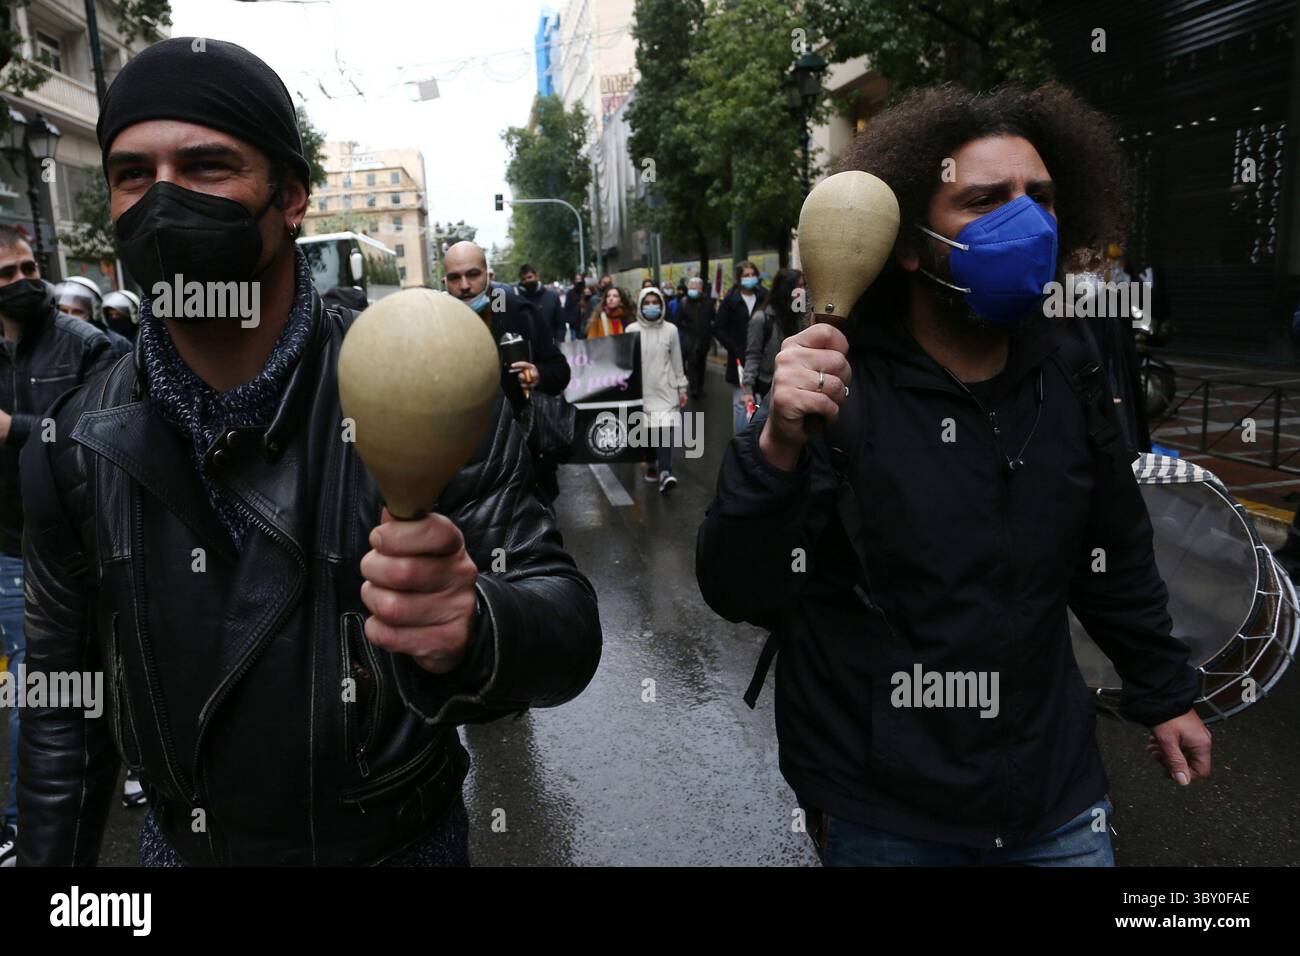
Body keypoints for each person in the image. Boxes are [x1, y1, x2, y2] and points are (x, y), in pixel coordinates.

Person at [17, 38, 601, 867]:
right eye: (132, 174)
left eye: (208, 165)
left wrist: (476, 626)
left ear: (291, 197)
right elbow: (60, 710)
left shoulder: (420, 388)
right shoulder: (75, 439)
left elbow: (567, 626)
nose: (163, 200)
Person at [696, 82, 1212, 868]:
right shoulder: (839, 391)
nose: (1027, 221)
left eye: (1040, 198)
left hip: (1056, 797)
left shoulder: (1070, 371)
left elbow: (1113, 552)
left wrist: (1164, 690)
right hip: (884, 809)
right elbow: (739, 588)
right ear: (907, 242)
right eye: (985, 201)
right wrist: (775, 445)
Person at [0, 226, 115, 867]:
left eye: (27, 269)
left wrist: (15, 428)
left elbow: (101, 439)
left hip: (68, 555)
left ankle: (34, 834)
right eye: (5, 276)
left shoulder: (85, 346)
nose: (21, 283)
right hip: (7, 547)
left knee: (46, 695)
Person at [443, 241, 570, 503]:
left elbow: (560, 371)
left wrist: (537, 374)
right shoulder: (433, 322)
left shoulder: (521, 313)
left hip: (526, 465)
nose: (464, 285)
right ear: (445, 281)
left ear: (488, 275)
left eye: (473, 274)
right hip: (462, 472)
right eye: (455, 278)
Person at [626, 287, 688, 494]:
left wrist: (682, 387)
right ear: (640, 305)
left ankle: (665, 472)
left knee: (664, 431)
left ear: (661, 305)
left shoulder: (671, 330)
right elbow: (626, 364)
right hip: (642, 391)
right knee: (649, 433)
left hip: (666, 390)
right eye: (647, 303)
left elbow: (677, 359)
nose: (651, 306)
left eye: (656, 303)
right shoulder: (631, 330)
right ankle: (650, 462)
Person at [713, 261, 766, 433]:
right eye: (746, 275)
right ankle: (741, 438)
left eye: (753, 274)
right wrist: (734, 348)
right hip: (738, 359)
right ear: (739, 278)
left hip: (761, 358)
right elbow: (719, 328)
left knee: (761, 402)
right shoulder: (730, 300)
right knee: (740, 404)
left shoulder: (764, 296)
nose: (750, 278)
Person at [744, 268, 803, 410]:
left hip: (796, 385)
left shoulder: (800, 316)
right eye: (799, 286)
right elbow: (753, 354)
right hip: (768, 386)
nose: (802, 291)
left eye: (803, 286)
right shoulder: (762, 318)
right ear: (787, 289)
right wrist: (747, 389)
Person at [55, 276, 133, 357]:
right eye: (63, 311)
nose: (69, 316)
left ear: (93, 313)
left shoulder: (117, 344)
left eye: (77, 312)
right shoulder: (51, 342)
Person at [678, 276, 713, 400]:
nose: (692, 289)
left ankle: (700, 387)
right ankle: (694, 389)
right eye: (691, 287)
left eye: (695, 287)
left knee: (701, 364)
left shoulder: (708, 302)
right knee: (692, 364)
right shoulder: (683, 303)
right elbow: (678, 321)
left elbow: (712, 319)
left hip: (703, 339)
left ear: (701, 289)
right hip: (689, 339)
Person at [516, 263, 565, 345]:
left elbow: (560, 325)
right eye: (524, 279)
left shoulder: (552, 297)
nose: (527, 281)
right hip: (529, 351)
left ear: (537, 277)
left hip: (551, 348)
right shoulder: (518, 301)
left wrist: (558, 343)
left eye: (529, 277)